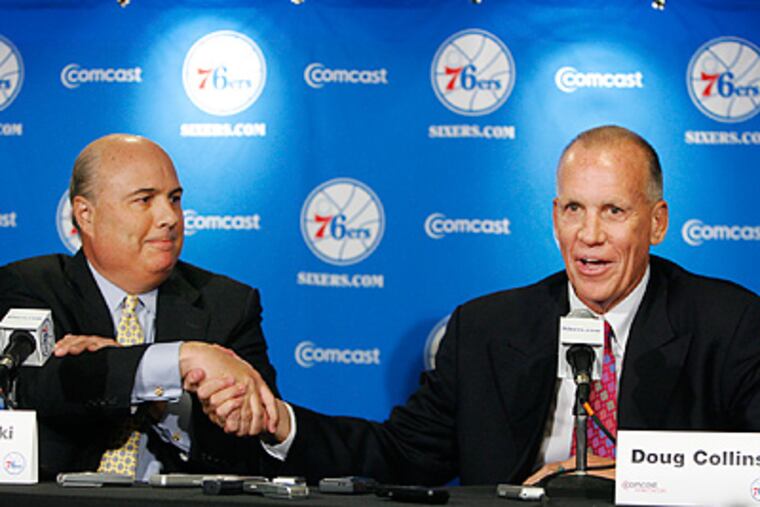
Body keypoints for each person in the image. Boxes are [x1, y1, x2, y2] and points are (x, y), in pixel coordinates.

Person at [199, 125, 760, 486]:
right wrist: (282, 424)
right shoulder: (488, 328)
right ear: (553, 216)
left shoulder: (727, 324)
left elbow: (752, 467)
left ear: (657, 222)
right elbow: (399, 455)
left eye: (613, 211)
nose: (589, 235)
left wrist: (615, 475)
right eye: (573, 210)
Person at [0, 134, 280, 480]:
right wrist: (181, 359)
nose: (169, 217)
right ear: (85, 214)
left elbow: (257, 438)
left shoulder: (228, 304)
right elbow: (38, 387)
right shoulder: (31, 285)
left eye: (174, 199)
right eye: (144, 200)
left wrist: (157, 398)